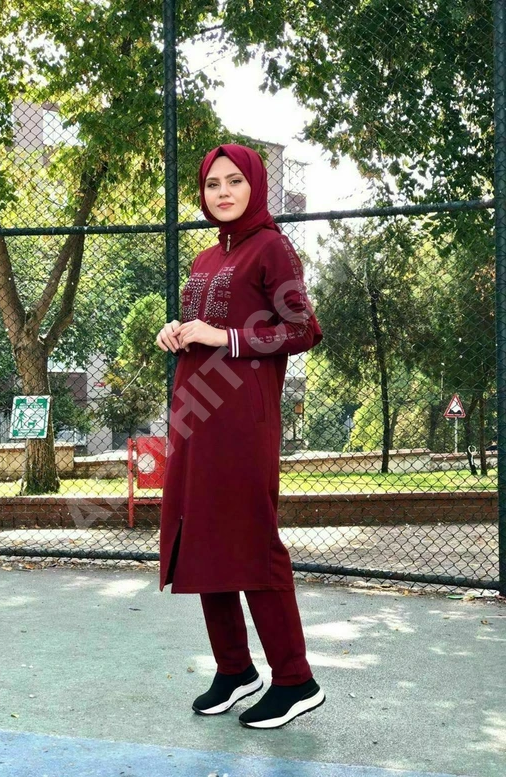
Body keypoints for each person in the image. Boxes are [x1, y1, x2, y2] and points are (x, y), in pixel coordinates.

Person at [155, 143, 325, 729]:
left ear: (255, 185)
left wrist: (225, 338)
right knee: (201, 536)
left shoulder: (271, 247)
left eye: (234, 181)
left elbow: (303, 329)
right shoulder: (207, 256)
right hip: (196, 416)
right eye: (212, 184)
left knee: (253, 541)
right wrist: (179, 331)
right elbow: (206, 325)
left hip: (242, 423)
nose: (222, 192)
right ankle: (234, 670)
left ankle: (295, 679)